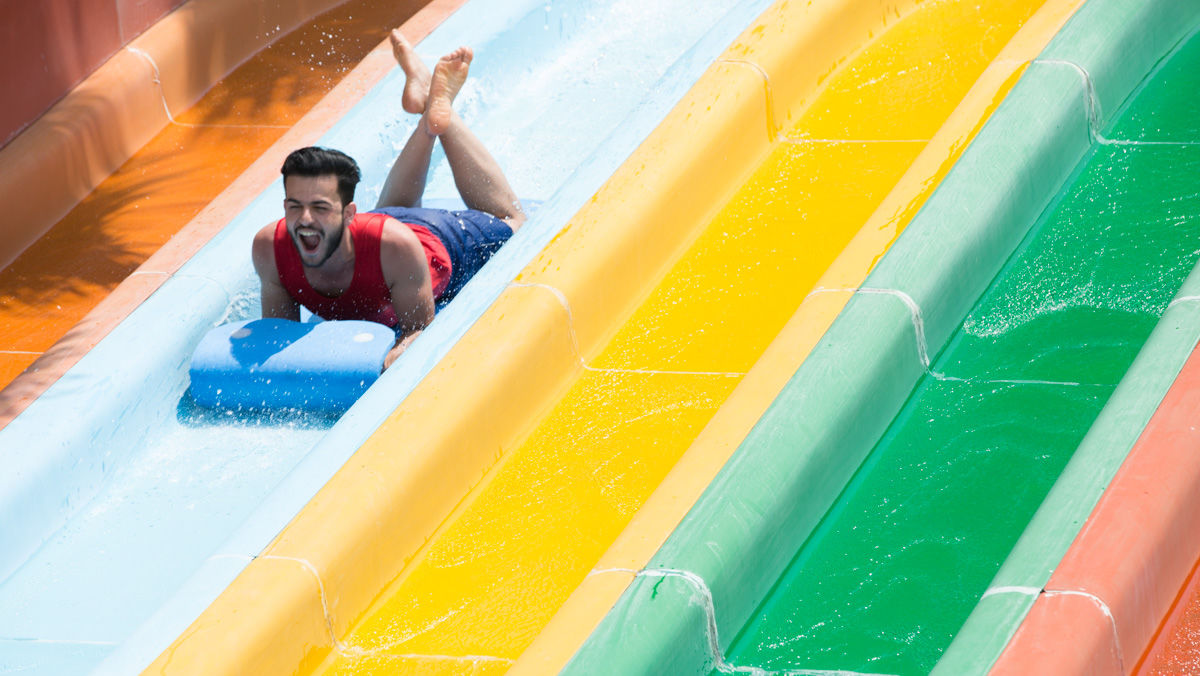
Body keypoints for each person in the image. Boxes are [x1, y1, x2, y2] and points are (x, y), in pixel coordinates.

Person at [252, 30, 525, 369]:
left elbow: (417, 333)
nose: (305, 219)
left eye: (320, 208)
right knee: (388, 221)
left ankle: (441, 118)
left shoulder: (396, 248)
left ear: (349, 213)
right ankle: (428, 107)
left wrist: (402, 348)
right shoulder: (271, 249)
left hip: (439, 242)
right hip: (388, 233)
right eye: (295, 206)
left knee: (512, 221)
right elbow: (281, 338)